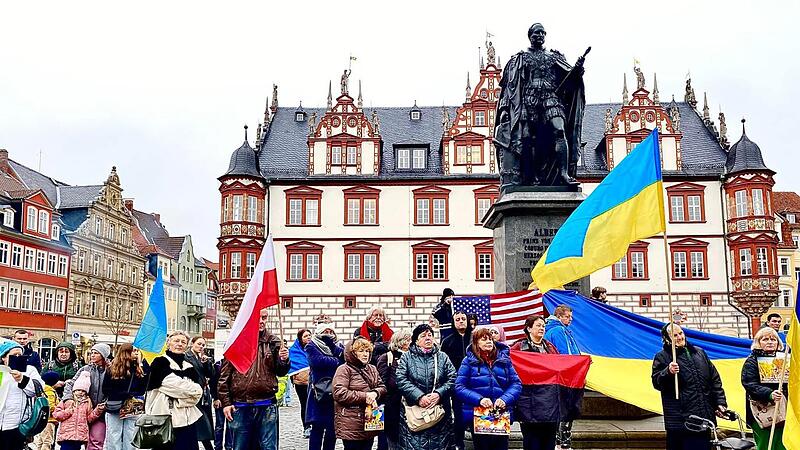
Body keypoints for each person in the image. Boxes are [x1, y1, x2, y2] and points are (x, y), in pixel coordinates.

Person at [218, 308, 290, 450]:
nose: (262, 321)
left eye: (264, 318)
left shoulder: (273, 342)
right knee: (240, 446)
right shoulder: (235, 342)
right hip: (240, 405)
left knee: (268, 446)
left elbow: (281, 372)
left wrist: (284, 360)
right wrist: (226, 402)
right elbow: (224, 377)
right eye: (259, 318)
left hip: (266, 403)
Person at [652, 323, 727, 450]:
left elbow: (714, 380)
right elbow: (657, 382)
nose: (680, 337)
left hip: (704, 417)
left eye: (680, 333)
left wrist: (719, 402)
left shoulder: (699, 353)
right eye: (674, 335)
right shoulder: (662, 357)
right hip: (680, 420)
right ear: (667, 339)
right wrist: (667, 372)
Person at [455, 328, 522, 450]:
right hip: (478, 416)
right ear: (476, 342)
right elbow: (459, 387)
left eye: (490, 339)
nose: (489, 342)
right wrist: (479, 399)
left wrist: (504, 399)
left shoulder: (505, 361)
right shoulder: (468, 361)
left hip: (501, 414)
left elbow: (516, 384)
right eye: (484, 339)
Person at [395, 324, 457, 450]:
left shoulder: (442, 357)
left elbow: (453, 378)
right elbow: (401, 379)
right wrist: (419, 397)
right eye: (423, 336)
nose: (428, 338)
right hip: (415, 413)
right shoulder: (407, 357)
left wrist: (438, 394)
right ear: (416, 341)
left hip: (439, 415)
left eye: (430, 335)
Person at [146, 330, 204, 450]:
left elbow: (198, 392)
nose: (180, 344)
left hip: (188, 420)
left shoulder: (189, 366)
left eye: (183, 342)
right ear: (168, 343)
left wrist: (182, 396)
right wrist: (187, 395)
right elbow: (172, 385)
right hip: (165, 420)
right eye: (176, 341)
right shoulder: (160, 362)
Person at [511, 315, 559, 450]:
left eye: (543, 326)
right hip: (528, 402)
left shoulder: (550, 348)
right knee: (532, 440)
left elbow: (559, 367)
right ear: (529, 328)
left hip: (549, 402)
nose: (542, 328)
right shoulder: (518, 347)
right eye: (538, 325)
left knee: (549, 440)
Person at [333, 337, 388, 450]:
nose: (365, 354)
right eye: (361, 351)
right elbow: (339, 393)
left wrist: (375, 393)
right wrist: (365, 396)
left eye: (367, 351)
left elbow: (382, 387)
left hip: (370, 419)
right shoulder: (344, 369)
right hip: (351, 422)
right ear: (353, 353)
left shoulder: (372, 368)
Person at [741, 327, 789, 450]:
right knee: (765, 445)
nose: (770, 342)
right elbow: (749, 384)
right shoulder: (751, 361)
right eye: (765, 339)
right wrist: (769, 393)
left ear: (778, 343)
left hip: (783, 410)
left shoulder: (785, 360)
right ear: (758, 342)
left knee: (782, 444)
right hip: (762, 411)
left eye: (773, 339)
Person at [544, 305, 580, 448]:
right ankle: (563, 443)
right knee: (566, 410)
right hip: (566, 377)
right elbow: (566, 354)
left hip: (555, 377)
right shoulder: (559, 331)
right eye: (567, 317)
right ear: (559, 316)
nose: (570, 319)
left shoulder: (552, 329)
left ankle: (559, 442)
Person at [63, 343, 111, 450]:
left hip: (100, 413)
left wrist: (105, 404)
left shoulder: (110, 370)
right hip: (82, 411)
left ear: (103, 355)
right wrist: (68, 398)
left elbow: (114, 388)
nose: (92, 355)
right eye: (91, 353)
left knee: (96, 440)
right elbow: (71, 383)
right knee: (75, 439)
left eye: (96, 353)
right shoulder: (85, 369)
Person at [305, 322, 344, 450]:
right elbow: (317, 361)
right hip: (319, 391)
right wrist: (336, 361)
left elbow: (344, 357)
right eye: (325, 331)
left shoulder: (337, 345)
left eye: (331, 331)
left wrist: (332, 346)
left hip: (335, 389)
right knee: (317, 427)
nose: (328, 334)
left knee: (332, 428)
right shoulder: (312, 345)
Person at [0, 338, 44, 450]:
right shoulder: (1, 371)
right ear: (4, 357)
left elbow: (38, 389)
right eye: (14, 355)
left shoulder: (29, 370)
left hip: (17, 424)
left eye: (20, 354)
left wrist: (22, 379)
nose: (18, 357)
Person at [103, 343, 146, 450]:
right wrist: (125, 394)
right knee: (113, 436)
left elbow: (142, 388)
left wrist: (140, 364)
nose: (136, 353)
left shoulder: (138, 370)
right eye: (134, 351)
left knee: (131, 436)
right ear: (126, 353)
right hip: (115, 406)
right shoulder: (112, 369)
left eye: (137, 351)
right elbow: (106, 389)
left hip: (133, 407)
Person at [440, 311, 473, 450]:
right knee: (458, 413)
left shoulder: (474, 339)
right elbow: (443, 364)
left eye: (463, 319)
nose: (461, 321)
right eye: (457, 319)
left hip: (474, 382)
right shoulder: (447, 341)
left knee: (473, 412)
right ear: (453, 322)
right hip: (455, 383)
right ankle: (458, 443)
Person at [376, 331, 411, 450]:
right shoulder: (387, 357)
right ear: (399, 342)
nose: (410, 342)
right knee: (390, 439)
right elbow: (382, 382)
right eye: (408, 339)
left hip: (408, 405)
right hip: (391, 405)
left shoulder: (412, 357)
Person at [54, 371, 104, 450]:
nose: (80, 392)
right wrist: (67, 412)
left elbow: (89, 418)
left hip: (79, 437)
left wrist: (97, 410)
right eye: (78, 390)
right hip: (66, 435)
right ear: (74, 390)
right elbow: (56, 415)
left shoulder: (87, 402)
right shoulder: (67, 401)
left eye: (83, 391)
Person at [185, 336, 215, 450]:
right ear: (192, 343)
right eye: (199, 344)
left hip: (203, 395)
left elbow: (211, 374)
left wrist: (206, 363)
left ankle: (206, 446)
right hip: (193, 394)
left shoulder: (203, 358)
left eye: (203, 345)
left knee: (204, 423)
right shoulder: (187, 356)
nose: (201, 347)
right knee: (200, 423)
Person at [288, 328, 312, 438]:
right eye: (305, 336)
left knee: (314, 404)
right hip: (300, 383)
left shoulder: (313, 348)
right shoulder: (294, 350)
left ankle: (315, 425)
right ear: (300, 338)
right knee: (304, 404)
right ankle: (306, 427)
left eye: (309, 335)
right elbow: (292, 365)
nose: (308, 338)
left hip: (314, 382)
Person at [34, 371, 61, 450]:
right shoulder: (50, 392)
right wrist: (58, 409)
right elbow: (50, 406)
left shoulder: (43, 390)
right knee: (47, 441)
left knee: (41, 440)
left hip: (42, 421)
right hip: (49, 421)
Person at [211, 358, 233, 450]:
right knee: (219, 426)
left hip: (232, 401)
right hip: (220, 400)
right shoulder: (218, 365)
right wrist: (216, 398)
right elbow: (213, 382)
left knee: (230, 426)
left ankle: (229, 446)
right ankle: (218, 446)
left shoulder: (236, 364)